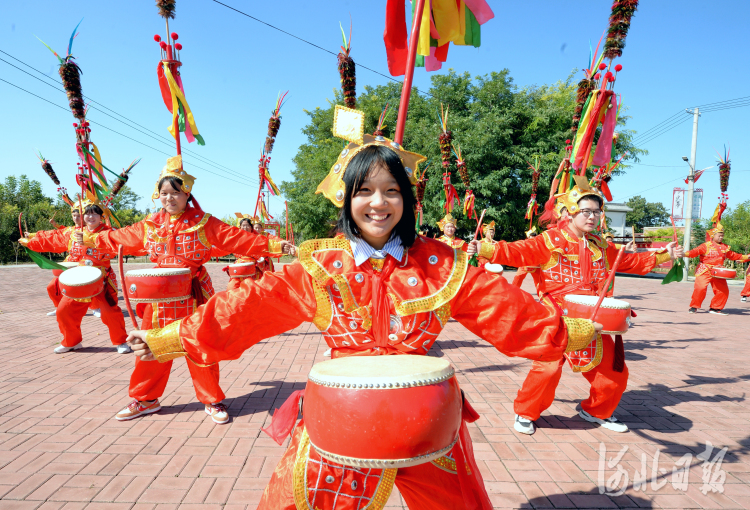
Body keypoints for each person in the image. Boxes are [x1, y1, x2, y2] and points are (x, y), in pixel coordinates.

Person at [126, 139, 602, 510]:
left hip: (428, 420)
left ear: (407, 199)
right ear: (347, 198)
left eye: (392, 190)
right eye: (366, 191)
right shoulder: (320, 266)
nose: (380, 203)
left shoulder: (440, 263)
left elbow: (504, 308)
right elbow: (246, 307)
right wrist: (170, 338)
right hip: (342, 416)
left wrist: (570, 332)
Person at [472, 178, 684, 435]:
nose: (592, 216)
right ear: (570, 212)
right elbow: (518, 251)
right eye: (586, 211)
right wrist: (483, 247)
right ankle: (526, 412)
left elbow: (627, 262)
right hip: (556, 316)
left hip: (594, 317)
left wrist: (664, 255)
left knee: (614, 373)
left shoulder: (600, 245)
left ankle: (597, 410)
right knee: (547, 369)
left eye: (596, 211)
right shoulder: (548, 241)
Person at [90, 156, 288, 424]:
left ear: (186, 194)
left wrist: (275, 246)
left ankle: (211, 399)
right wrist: (92, 237)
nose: (169, 198)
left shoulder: (204, 222)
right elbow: (118, 238)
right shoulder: (150, 225)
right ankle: (145, 398)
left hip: (193, 295)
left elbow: (238, 239)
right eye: (164, 193)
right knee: (151, 348)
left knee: (200, 346)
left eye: (175, 193)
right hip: (159, 300)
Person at [20, 197, 130, 354]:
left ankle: (120, 341)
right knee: (64, 311)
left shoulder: (109, 233)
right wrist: (31, 241)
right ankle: (71, 341)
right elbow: (52, 238)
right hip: (79, 279)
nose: (90, 217)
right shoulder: (74, 233)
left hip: (102, 279)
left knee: (111, 313)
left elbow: (122, 245)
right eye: (87, 214)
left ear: (101, 216)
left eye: (94, 214)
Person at [685, 222, 749, 314]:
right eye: (719, 236)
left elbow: (734, 255)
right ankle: (694, 306)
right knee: (700, 288)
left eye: (722, 236)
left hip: (718, 271)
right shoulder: (706, 246)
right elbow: (695, 252)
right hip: (704, 270)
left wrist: (747, 257)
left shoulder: (724, 247)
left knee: (723, 291)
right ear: (713, 236)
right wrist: (684, 254)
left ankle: (715, 308)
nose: (721, 238)